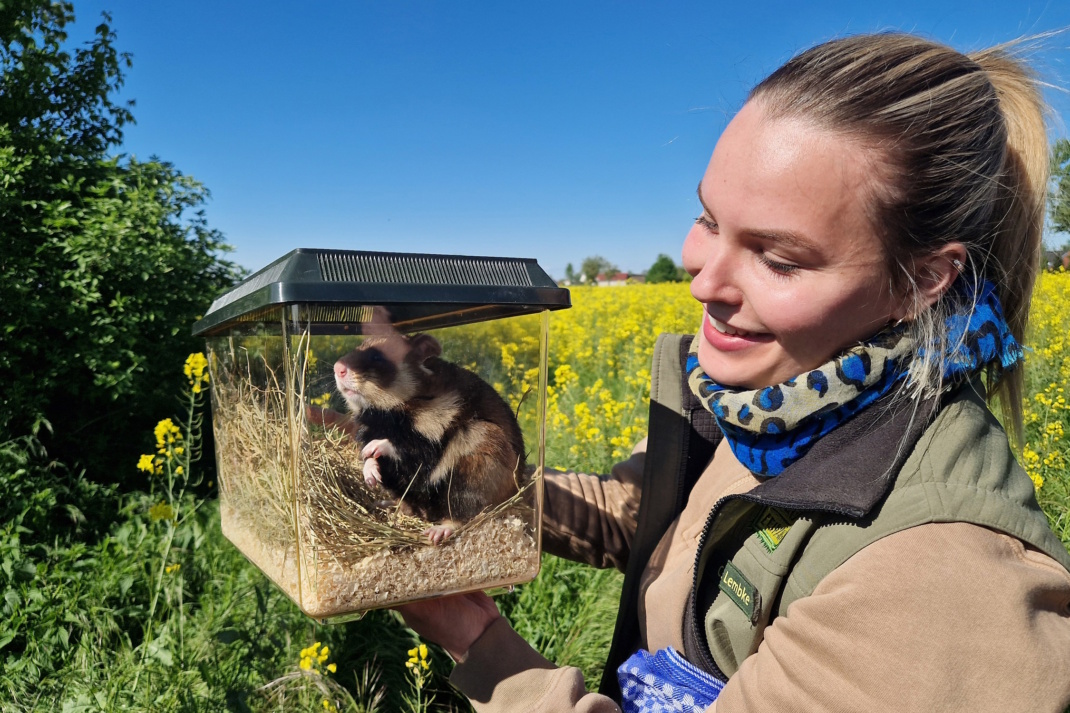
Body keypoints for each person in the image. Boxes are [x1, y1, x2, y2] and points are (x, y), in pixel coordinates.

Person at [398, 32, 1070, 711]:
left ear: (923, 279)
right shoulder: (777, 401)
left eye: (778, 258)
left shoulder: (939, 596)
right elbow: (649, 515)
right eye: (708, 219)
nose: (703, 281)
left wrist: (489, 654)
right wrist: (454, 479)